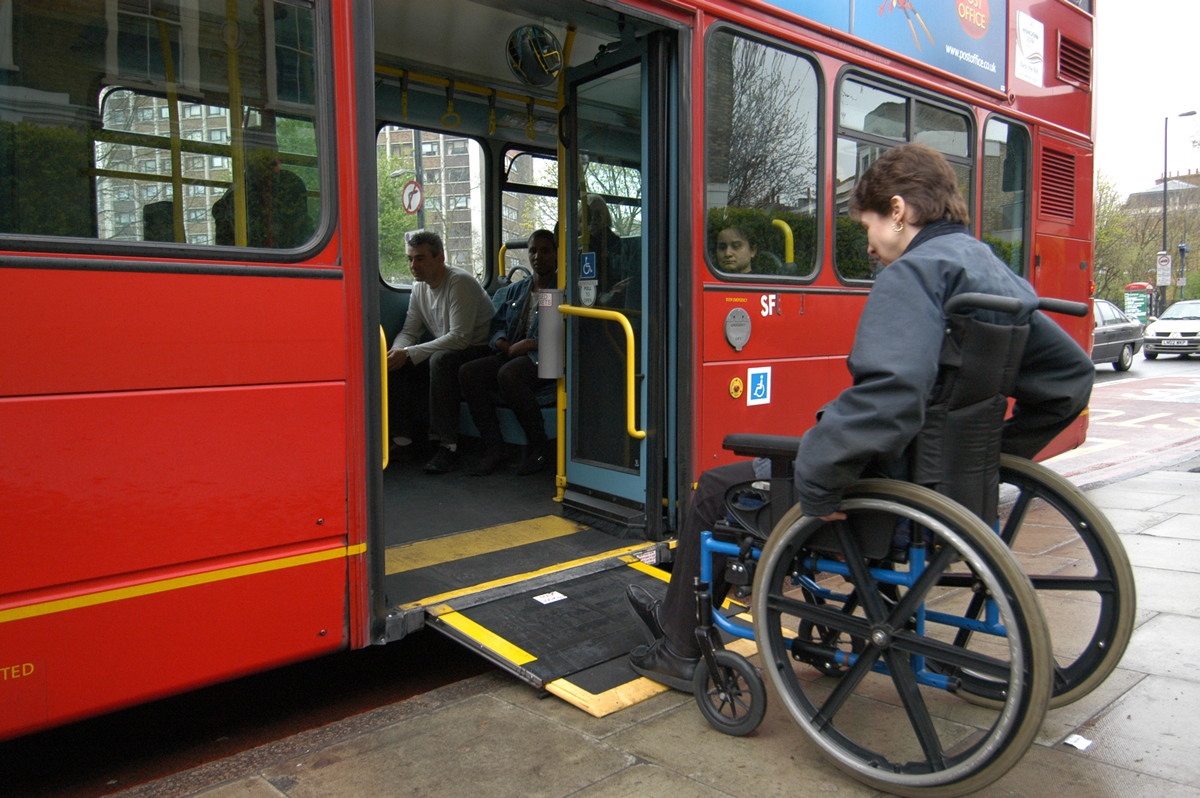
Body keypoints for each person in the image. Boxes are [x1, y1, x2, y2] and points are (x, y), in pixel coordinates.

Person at [626, 143, 1095, 691]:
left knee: (712, 489)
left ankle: (679, 646)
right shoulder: (995, 272)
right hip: (953, 497)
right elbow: (1070, 382)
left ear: (899, 211)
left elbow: (891, 396)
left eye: (868, 224)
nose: (870, 244)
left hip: (884, 494)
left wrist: (819, 478)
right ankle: (675, 618)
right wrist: (990, 458)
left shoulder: (915, 272)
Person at [388, 230, 495, 474]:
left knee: (440, 360)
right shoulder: (419, 288)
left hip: (479, 349)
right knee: (396, 361)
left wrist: (411, 352)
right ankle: (403, 441)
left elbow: (460, 337)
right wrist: (398, 350)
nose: (413, 265)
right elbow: (409, 331)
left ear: (439, 258)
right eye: (410, 259)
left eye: (420, 258)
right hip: (452, 347)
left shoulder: (459, 282)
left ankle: (447, 446)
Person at [459, 229, 558, 476]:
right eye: (533, 251)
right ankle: (494, 447)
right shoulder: (518, 290)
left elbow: (560, 336)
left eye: (545, 251)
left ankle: (539, 447)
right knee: (469, 372)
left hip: (546, 357)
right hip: (513, 353)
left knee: (508, 374)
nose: (538, 256)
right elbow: (497, 325)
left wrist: (530, 344)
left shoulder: (560, 289)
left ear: (557, 253)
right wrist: (501, 341)